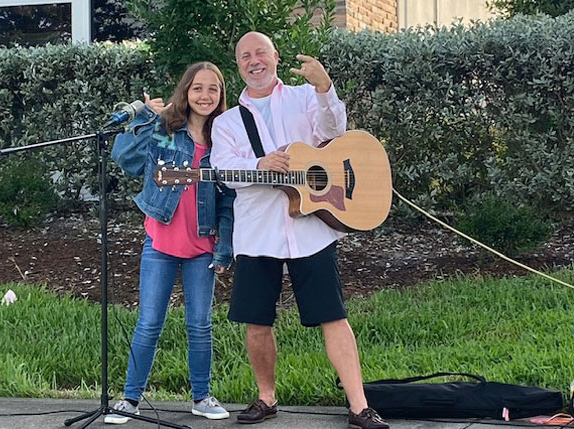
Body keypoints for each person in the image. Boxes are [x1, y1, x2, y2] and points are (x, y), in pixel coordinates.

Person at [210, 32, 389, 429]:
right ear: (237, 64)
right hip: (258, 232)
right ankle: (266, 398)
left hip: (313, 228)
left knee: (333, 316)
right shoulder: (227, 122)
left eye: (260, 53)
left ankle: (360, 406)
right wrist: (260, 165)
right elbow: (222, 169)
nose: (253, 61)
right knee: (257, 320)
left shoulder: (304, 97)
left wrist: (324, 87)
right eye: (244, 56)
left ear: (275, 56)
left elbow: (333, 129)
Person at [105, 61, 234, 424]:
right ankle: (130, 399)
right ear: (186, 92)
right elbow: (126, 158)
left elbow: (227, 201)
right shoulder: (167, 131)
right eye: (198, 88)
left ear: (220, 95)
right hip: (160, 242)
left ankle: (202, 396)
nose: (205, 95)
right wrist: (148, 115)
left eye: (213, 89)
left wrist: (224, 247)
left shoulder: (224, 142)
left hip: (202, 248)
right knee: (148, 322)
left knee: (200, 324)